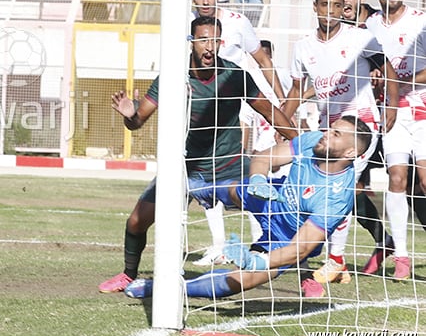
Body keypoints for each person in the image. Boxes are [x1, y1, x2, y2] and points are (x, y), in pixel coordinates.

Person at [98, 15, 297, 294]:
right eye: (203, 39)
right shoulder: (172, 78)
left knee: (273, 208)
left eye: (215, 40)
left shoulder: (235, 76)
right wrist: (130, 115)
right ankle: (128, 274)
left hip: (230, 168)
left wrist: (301, 143)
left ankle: (302, 273)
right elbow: (138, 120)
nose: (209, 47)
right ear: (191, 42)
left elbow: (269, 111)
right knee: (136, 221)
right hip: (185, 170)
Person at [124, 116, 372, 300]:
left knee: (240, 280)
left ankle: (162, 289)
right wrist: (258, 179)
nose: (327, 133)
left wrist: (259, 262)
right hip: (274, 197)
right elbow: (263, 158)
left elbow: (301, 249)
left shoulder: (338, 197)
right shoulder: (314, 141)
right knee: (235, 188)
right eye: (331, 128)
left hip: (287, 239)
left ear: (350, 152)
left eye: (336, 133)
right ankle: (199, 190)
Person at [283, 0, 398, 284]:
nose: (331, 12)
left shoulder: (361, 37)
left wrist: (392, 107)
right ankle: (337, 262)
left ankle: (335, 260)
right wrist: (279, 119)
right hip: (328, 128)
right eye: (325, 5)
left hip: (362, 125)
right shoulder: (303, 47)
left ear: (343, 7)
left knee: (339, 186)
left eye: (337, 6)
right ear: (315, 7)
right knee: (318, 188)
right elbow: (297, 90)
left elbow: (388, 70)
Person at [188, 0, 288, 265]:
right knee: (203, 176)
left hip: (238, 104)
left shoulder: (237, 22)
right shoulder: (187, 23)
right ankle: (219, 245)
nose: (205, 2)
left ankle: (263, 241)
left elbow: (262, 60)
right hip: (202, 107)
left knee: (245, 171)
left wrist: (282, 100)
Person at [364, 0, 426, 280]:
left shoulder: (420, 22)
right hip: (390, 113)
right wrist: (377, 77)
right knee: (397, 177)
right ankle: (401, 256)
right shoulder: (369, 25)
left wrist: (400, 82)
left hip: (422, 111)